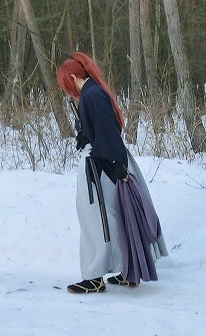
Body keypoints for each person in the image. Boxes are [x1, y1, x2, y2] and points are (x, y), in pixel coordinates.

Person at [56, 52, 167, 294]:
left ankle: (95, 276)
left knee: (97, 221)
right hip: (107, 162)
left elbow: (107, 134)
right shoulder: (94, 92)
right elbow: (102, 130)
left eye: (65, 83)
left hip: (101, 165)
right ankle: (127, 269)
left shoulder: (92, 95)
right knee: (116, 215)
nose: (66, 90)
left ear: (73, 77)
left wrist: (116, 169)